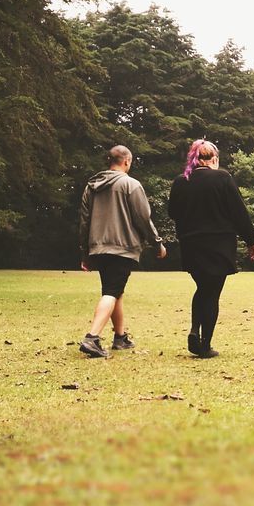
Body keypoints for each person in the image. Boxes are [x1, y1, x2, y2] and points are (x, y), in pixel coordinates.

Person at [168, 139, 254, 359]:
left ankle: (193, 330)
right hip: (219, 244)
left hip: (192, 244)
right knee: (212, 293)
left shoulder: (182, 181)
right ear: (215, 159)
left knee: (202, 288)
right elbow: (239, 212)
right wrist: (251, 241)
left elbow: (173, 212)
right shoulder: (222, 178)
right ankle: (205, 344)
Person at [78, 145, 166, 358]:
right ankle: (92, 338)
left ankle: (120, 337)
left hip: (98, 246)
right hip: (122, 247)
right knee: (112, 291)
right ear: (126, 161)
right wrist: (157, 243)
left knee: (114, 290)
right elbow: (142, 217)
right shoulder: (131, 184)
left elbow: (84, 219)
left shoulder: (92, 186)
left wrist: (85, 252)